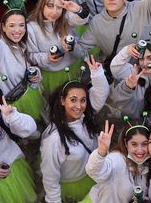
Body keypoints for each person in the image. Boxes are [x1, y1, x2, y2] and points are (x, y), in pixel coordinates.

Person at [39, 58, 110, 203]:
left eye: (83, 100)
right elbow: (50, 178)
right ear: (62, 101)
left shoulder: (86, 119)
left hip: (93, 177)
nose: (79, 106)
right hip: (72, 189)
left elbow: (101, 95)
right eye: (73, 100)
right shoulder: (53, 139)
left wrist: (97, 74)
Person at [86, 119, 150, 202]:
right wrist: (101, 151)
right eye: (134, 144)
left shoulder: (149, 163)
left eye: (144, 144)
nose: (140, 150)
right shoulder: (117, 159)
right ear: (126, 143)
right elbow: (95, 171)